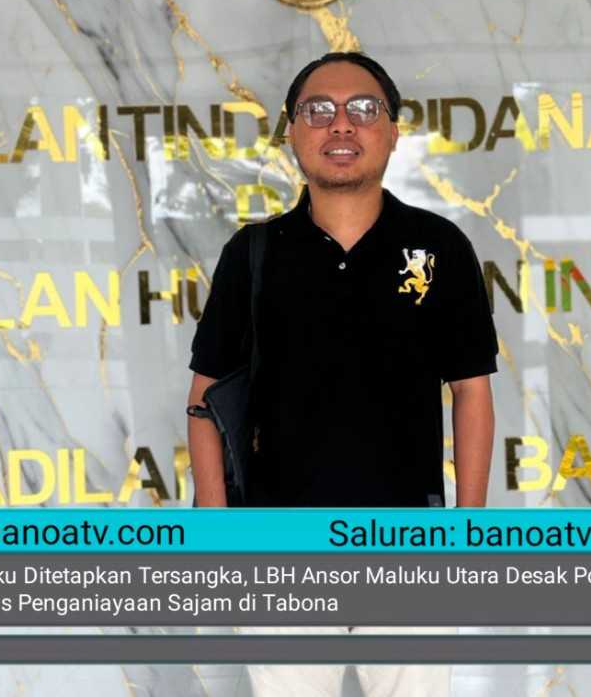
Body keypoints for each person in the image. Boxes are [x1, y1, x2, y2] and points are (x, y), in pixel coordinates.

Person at [184, 52, 498, 696]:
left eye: (363, 109)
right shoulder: (254, 253)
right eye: (318, 110)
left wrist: (467, 534)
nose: (341, 125)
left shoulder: (439, 246)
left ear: (393, 131)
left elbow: (471, 391)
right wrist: (219, 539)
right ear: (292, 132)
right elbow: (203, 401)